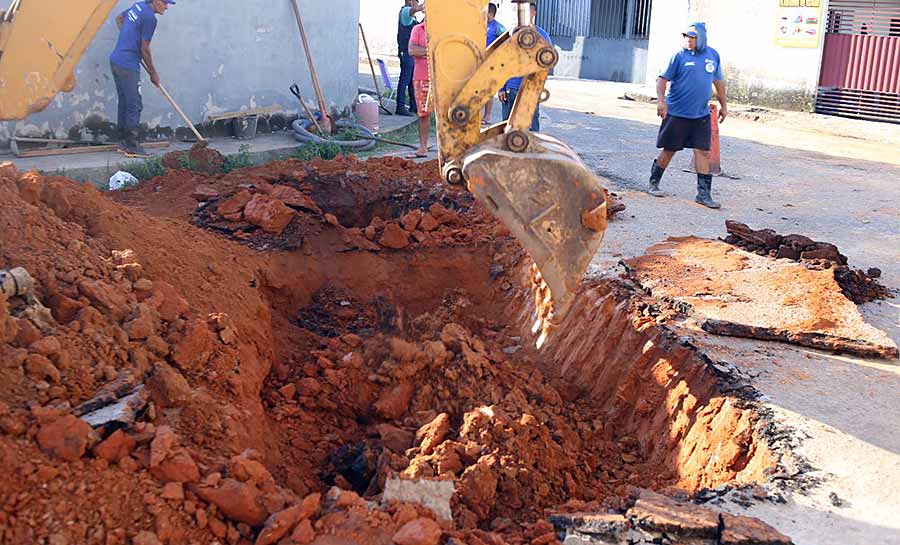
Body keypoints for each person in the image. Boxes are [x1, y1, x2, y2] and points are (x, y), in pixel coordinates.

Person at [648, 22, 728, 209]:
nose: (688, 40)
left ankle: (703, 194)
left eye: (692, 37)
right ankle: (653, 183)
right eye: (686, 37)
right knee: (670, 149)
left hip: (700, 115)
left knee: (702, 151)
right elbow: (662, 80)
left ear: (701, 38)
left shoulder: (712, 55)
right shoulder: (679, 56)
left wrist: (724, 105)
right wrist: (661, 101)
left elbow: (718, 82)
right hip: (677, 113)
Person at [109, 0, 174, 158]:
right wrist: (153, 73)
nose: (166, 7)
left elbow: (119, 18)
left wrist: (128, 38)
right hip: (128, 65)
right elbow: (145, 48)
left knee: (125, 102)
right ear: (156, 1)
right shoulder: (150, 18)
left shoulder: (138, 6)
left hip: (116, 60)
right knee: (135, 105)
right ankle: (132, 146)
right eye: (165, 3)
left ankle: (123, 142)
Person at [499, 1, 549, 132]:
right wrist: (501, 88)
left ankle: (532, 150)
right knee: (507, 127)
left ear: (534, 13)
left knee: (532, 127)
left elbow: (547, 64)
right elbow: (502, 63)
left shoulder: (542, 36)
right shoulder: (511, 34)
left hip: (531, 89)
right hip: (511, 87)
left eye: (528, 11)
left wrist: (539, 87)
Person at [406, 16, 433, 158]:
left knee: (447, 114)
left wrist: (423, 51)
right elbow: (412, 50)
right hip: (422, 77)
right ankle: (423, 147)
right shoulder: (418, 29)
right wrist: (432, 50)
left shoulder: (444, 29)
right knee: (423, 113)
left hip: (441, 78)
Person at [396, 0, 425, 117]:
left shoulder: (412, 19)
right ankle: (400, 106)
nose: (418, 4)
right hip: (406, 52)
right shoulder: (405, 12)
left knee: (411, 82)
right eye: (416, 1)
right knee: (405, 79)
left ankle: (413, 106)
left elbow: (420, 26)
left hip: (410, 54)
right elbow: (415, 9)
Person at [483, 3, 506, 125]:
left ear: (490, 13)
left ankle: (487, 116)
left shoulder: (498, 27)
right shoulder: (480, 25)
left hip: (491, 64)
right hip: (478, 63)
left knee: (489, 91)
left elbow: (507, 41)